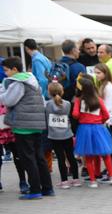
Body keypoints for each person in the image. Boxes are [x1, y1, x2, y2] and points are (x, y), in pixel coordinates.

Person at [1, 57, 52, 199]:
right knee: (39, 156)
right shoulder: (32, 79)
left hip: (23, 125)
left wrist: (2, 93)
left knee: (28, 158)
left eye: (6, 70)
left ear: (15, 69)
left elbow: (8, 100)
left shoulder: (17, 83)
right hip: (36, 124)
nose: (5, 74)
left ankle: (35, 190)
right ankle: (47, 188)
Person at [72, 75, 112, 187]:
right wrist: (100, 121)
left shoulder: (79, 100)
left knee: (89, 156)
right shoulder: (99, 100)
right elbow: (106, 115)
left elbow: (75, 115)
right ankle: (111, 176)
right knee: (105, 154)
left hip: (85, 129)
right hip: (99, 128)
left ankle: (93, 180)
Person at [45, 82, 78, 188]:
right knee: (71, 156)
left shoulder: (48, 104)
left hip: (54, 135)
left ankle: (64, 181)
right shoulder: (67, 104)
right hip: (67, 133)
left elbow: (46, 118)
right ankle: (76, 179)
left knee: (60, 158)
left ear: (49, 93)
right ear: (62, 91)